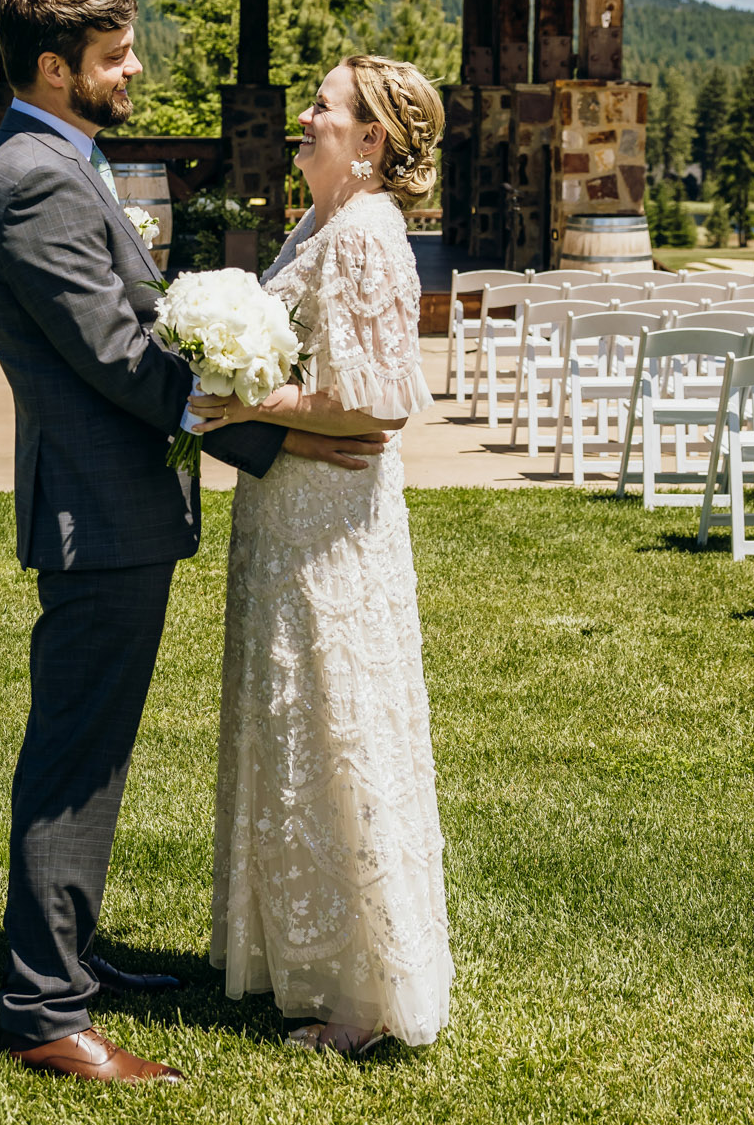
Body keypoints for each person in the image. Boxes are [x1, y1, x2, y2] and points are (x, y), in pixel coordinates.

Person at [0, 0, 390, 1085]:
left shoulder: (59, 159)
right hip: (93, 509)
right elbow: (121, 356)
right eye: (115, 55)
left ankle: (72, 955)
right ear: (55, 67)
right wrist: (281, 434)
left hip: (114, 503)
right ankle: (47, 1006)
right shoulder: (35, 178)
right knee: (75, 755)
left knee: (91, 745)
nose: (134, 68)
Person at [188, 53, 454, 1057]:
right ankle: (293, 951)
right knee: (294, 720)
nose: (304, 117)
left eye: (325, 107)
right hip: (291, 507)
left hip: (331, 526)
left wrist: (242, 403)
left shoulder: (368, 234)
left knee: (337, 722)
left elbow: (379, 400)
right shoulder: (322, 223)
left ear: (373, 139)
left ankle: (361, 992)